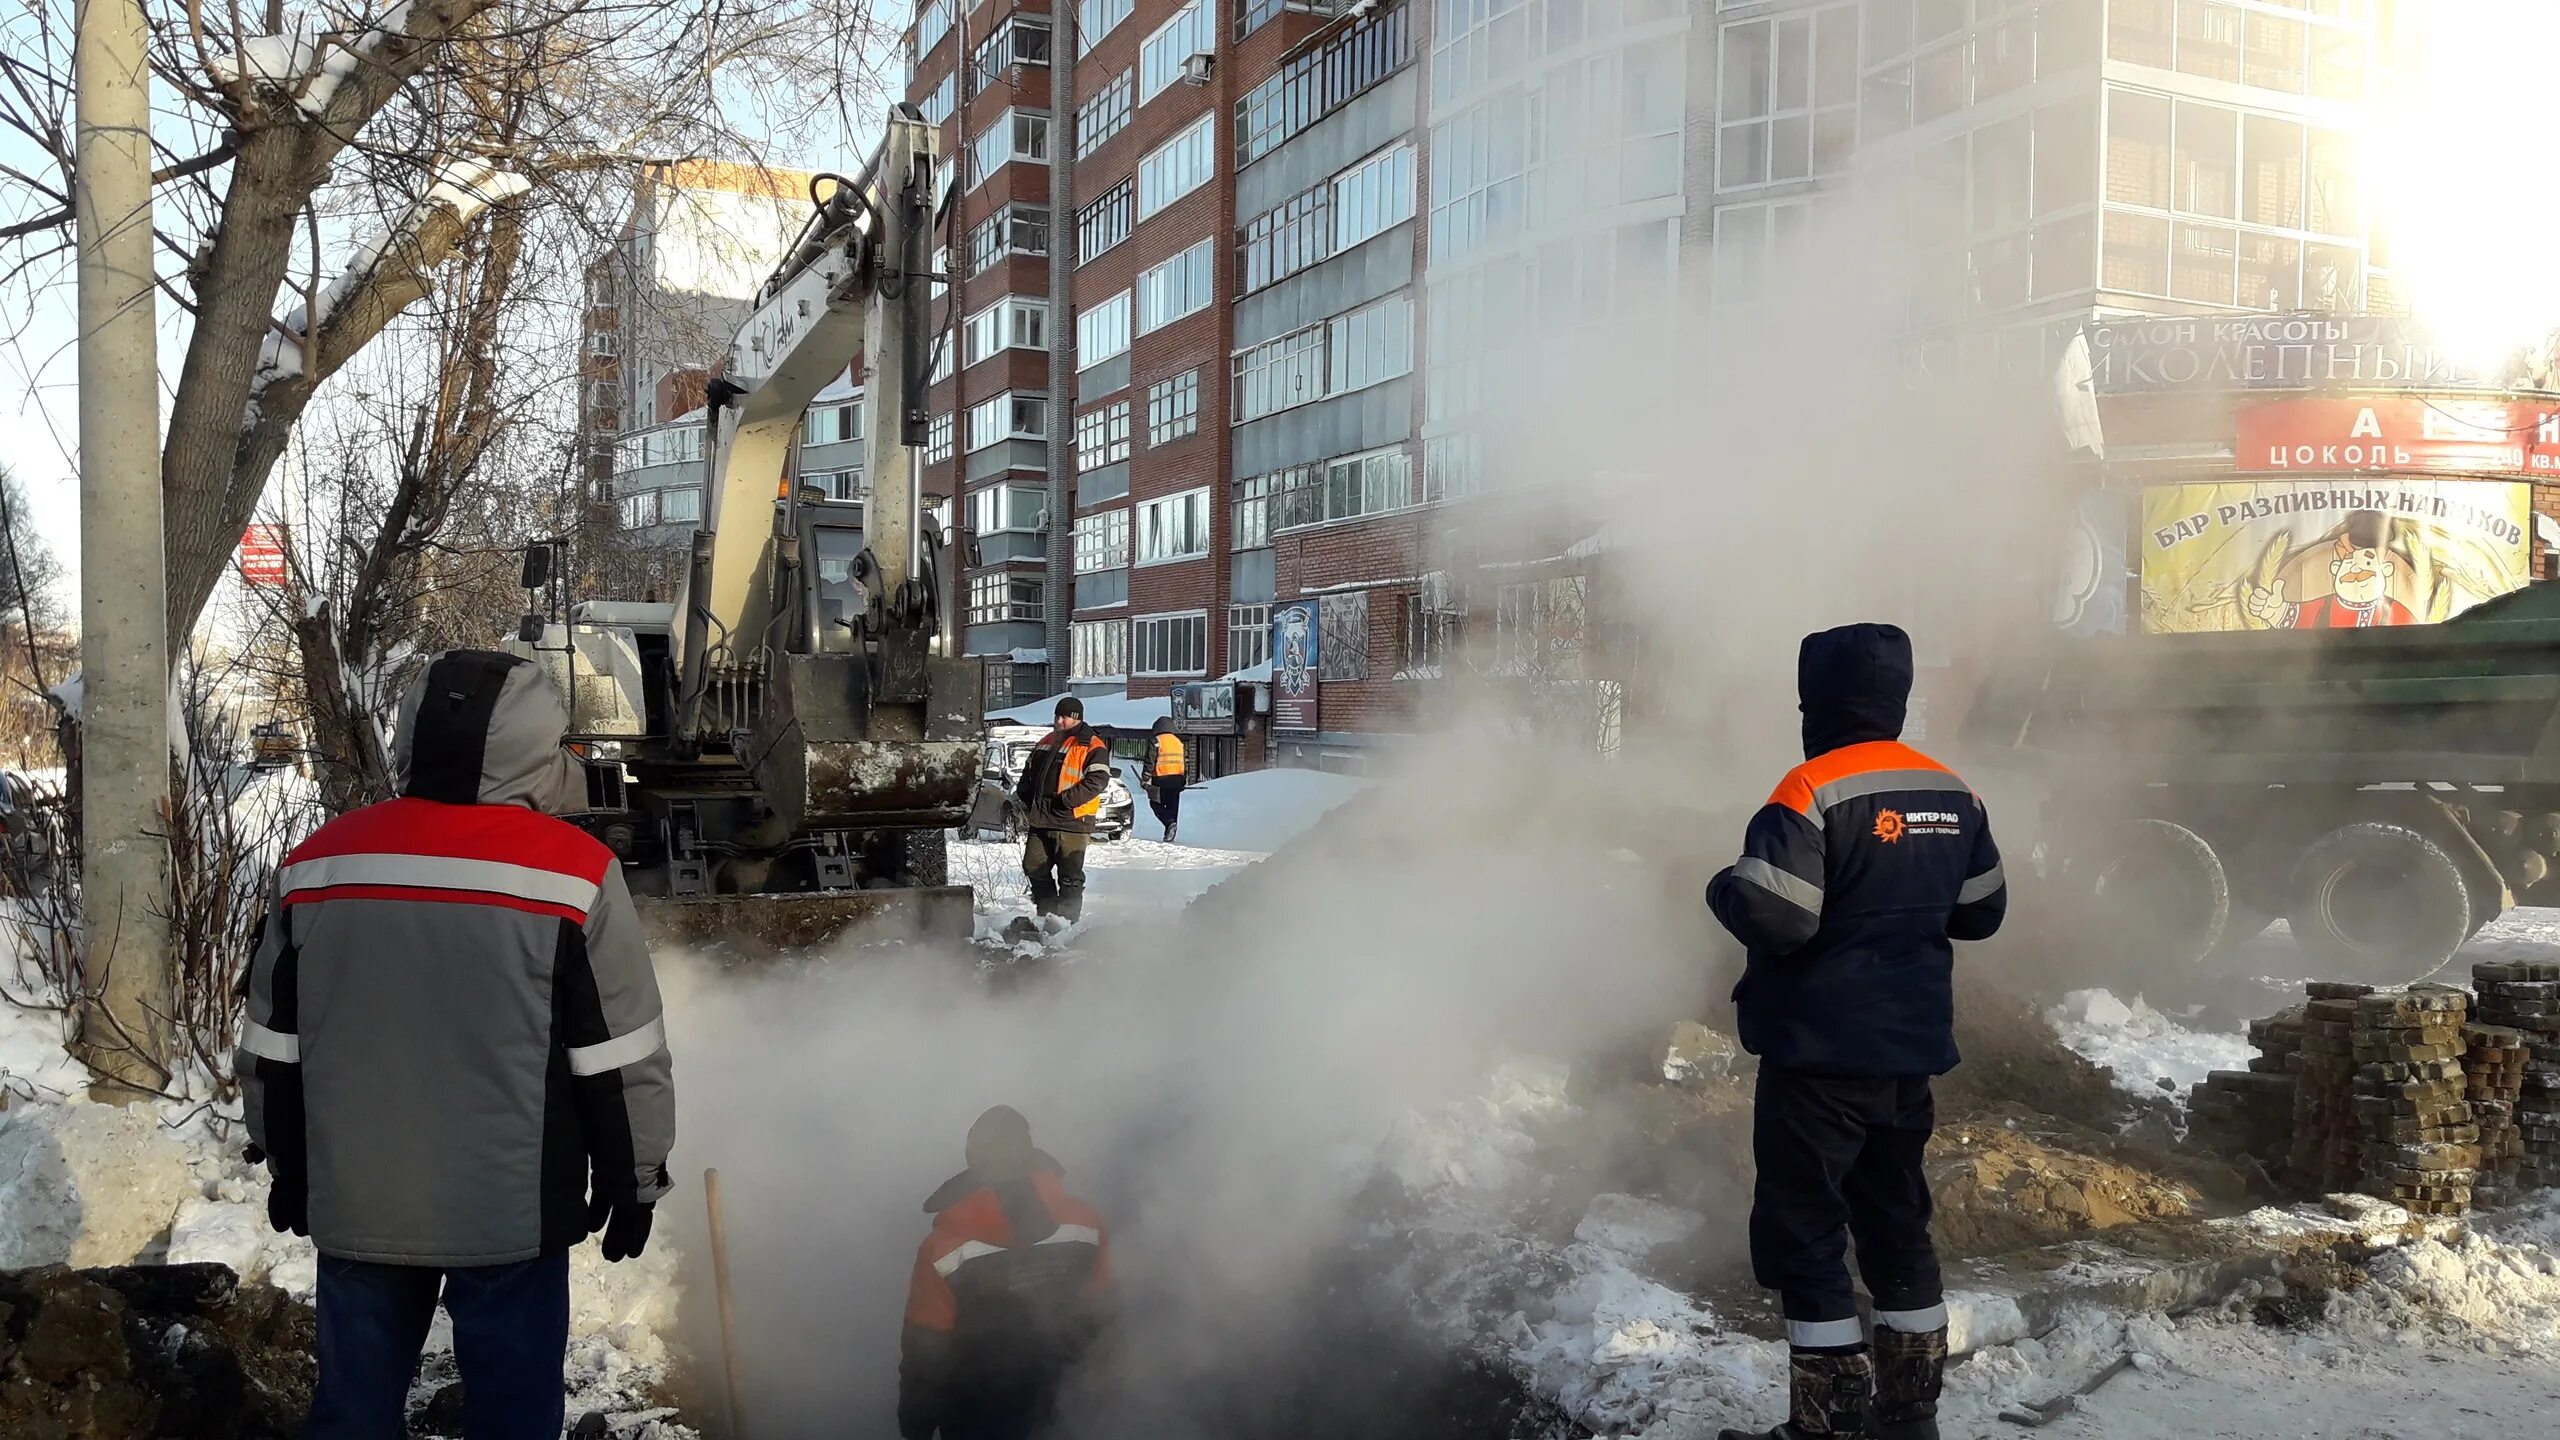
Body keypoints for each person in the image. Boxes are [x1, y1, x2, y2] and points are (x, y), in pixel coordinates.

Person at [237, 650, 675, 1440]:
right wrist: (632, 1175)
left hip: (358, 1200)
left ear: (409, 737)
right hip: (509, 1215)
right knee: (513, 1420)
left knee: (353, 1417)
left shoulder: (315, 866)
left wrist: (285, 1158)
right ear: (541, 750)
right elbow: (617, 1051)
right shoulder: (576, 872)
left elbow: (275, 1042)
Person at [1704, 623, 2005, 1440]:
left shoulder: (1809, 788)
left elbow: (1778, 915)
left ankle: (1827, 1426)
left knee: (1804, 1233)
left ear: (1817, 701)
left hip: (1818, 1058)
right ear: (1895, 699)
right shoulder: (1953, 790)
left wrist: (1724, 889)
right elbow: (1982, 912)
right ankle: (1907, 1421)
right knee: (1897, 1225)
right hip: (1907, 1057)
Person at [900, 1106, 1113, 1440]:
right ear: (1028, 1155)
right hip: (1063, 1405)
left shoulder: (941, 1250)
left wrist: (916, 1425)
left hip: (976, 1416)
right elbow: (1102, 1313)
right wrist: (1100, 1391)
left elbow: (927, 1352)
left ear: (973, 1161)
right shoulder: (1085, 1223)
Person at [1014, 696, 1112, 923]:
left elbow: (1098, 780)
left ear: (1076, 718)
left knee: (1070, 876)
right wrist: (1025, 794)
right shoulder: (1047, 740)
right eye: (1056, 716)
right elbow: (1029, 773)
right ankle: (1047, 914)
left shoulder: (1091, 744)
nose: (1058, 721)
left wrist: (1066, 801)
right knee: (1033, 867)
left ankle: (1067, 922)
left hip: (1073, 820)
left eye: (1064, 717)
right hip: (1041, 818)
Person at [2243, 510, 2417, 629]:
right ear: (2335, 569)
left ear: (2386, 570)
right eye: (2349, 560)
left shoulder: (2397, 611)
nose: (2356, 568)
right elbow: (2291, 618)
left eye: (2368, 561)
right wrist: (2273, 611)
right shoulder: (2322, 607)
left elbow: (2416, 647)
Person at [1144, 717, 1187, 842]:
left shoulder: (1157, 741)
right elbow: (1184, 762)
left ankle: (1169, 823)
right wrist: (1183, 779)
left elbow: (1150, 761)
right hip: (1177, 779)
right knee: (1172, 806)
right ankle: (1170, 833)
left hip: (1161, 779)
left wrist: (1145, 778)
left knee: (1155, 803)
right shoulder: (1178, 742)